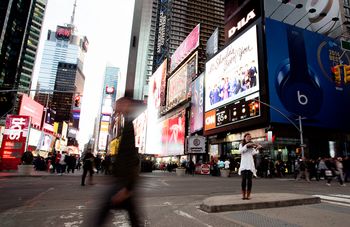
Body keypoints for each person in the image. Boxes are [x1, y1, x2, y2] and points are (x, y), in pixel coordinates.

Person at [91, 97, 143, 227]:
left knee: (104, 211)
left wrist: (128, 187)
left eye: (119, 104)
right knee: (132, 216)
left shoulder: (129, 125)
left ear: (127, 105)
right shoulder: (126, 122)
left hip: (123, 182)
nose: (116, 107)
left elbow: (131, 157)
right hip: (121, 180)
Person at [238, 133, 262, 200]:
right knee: (243, 180)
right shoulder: (241, 144)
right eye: (248, 136)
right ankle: (243, 195)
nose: (249, 138)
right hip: (244, 165)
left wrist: (257, 148)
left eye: (250, 137)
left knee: (249, 181)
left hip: (250, 164)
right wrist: (246, 146)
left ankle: (248, 195)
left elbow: (253, 153)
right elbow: (240, 151)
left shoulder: (252, 145)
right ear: (245, 137)